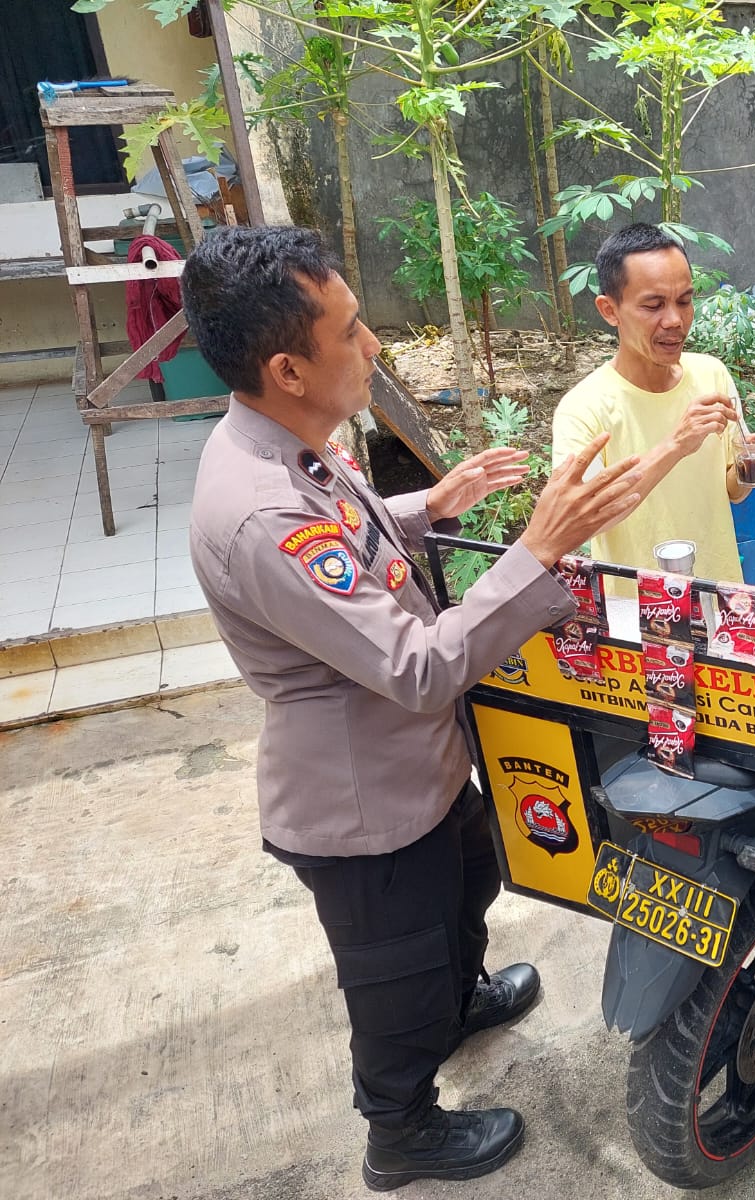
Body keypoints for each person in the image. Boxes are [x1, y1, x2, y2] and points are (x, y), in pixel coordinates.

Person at [182, 226, 645, 1189]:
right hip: (364, 804)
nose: (374, 345)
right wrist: (536, 550)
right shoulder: (259, 511)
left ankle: (458, 1001)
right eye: (351, 330)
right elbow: (418, 666)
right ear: (288, 369)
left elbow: (346, 539)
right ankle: (400, 1131)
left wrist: (428, 506)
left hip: (417, 767)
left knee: (466, 891)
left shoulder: (287, 443)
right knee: (395, 973)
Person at [551, 222, 755, 582]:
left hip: (718, 594)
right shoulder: (583, 408)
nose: (675, 320)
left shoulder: (712, 375)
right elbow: (583, 521)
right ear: (609, 310)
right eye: (653, 305)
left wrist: (748, 466)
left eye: (685, 301)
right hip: (636, 609)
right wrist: (676, 445)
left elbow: (732, 492)